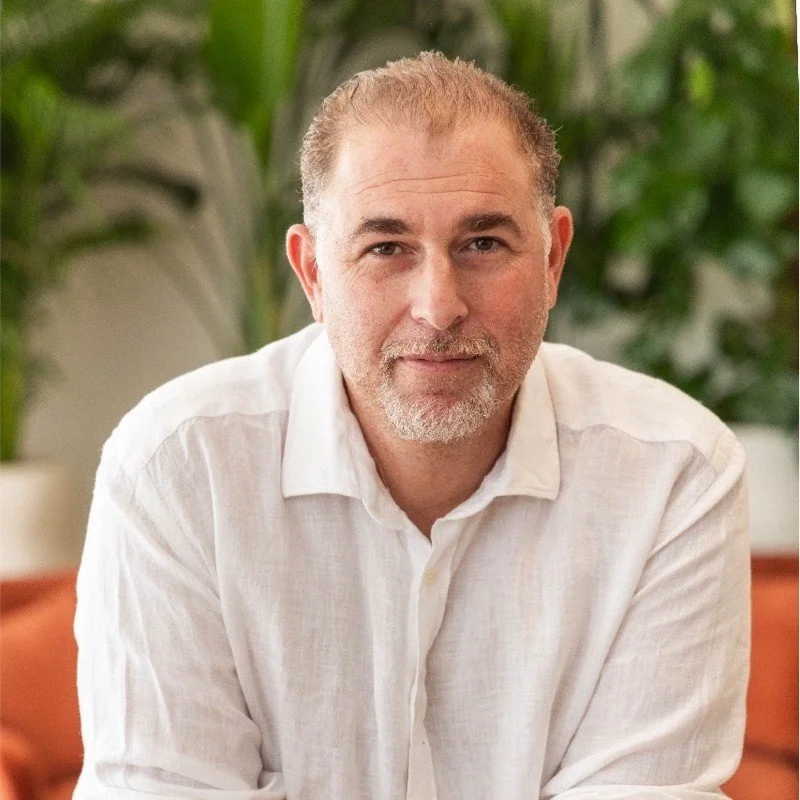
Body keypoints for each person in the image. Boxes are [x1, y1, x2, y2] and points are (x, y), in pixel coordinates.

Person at [74, 52, 750, 799]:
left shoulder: (672, 474)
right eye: (386, 248)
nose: (439, 306)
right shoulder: (176, 471)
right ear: (314, 275)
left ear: (553, 257)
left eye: (483, 244)